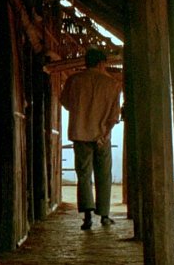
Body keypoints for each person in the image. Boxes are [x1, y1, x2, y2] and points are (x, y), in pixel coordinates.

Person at [60, 48, 122, 230]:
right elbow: (114, 115)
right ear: (102, 63)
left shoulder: (74, 80)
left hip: (80, 134)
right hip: (102, 135)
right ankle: (104, 215)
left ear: (86, 62)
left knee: (84, 175)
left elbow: (66, 103)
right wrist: (105, 133)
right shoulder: (112, 84)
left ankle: (87, 216)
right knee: (104, 175)